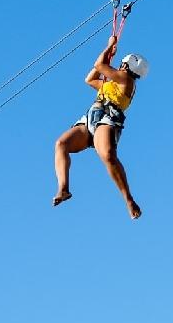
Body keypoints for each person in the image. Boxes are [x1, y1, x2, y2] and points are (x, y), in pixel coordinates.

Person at [52, 30, 150, 218]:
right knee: (61, 144)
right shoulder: (112, 83)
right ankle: (63, 188)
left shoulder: (125, 80)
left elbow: (99, 65)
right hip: (92, 116)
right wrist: (108, 55)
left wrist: (108, 47)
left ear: (126, 65)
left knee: (107, 155)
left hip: (108, 117)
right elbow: (89, 78)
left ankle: (128, 199)